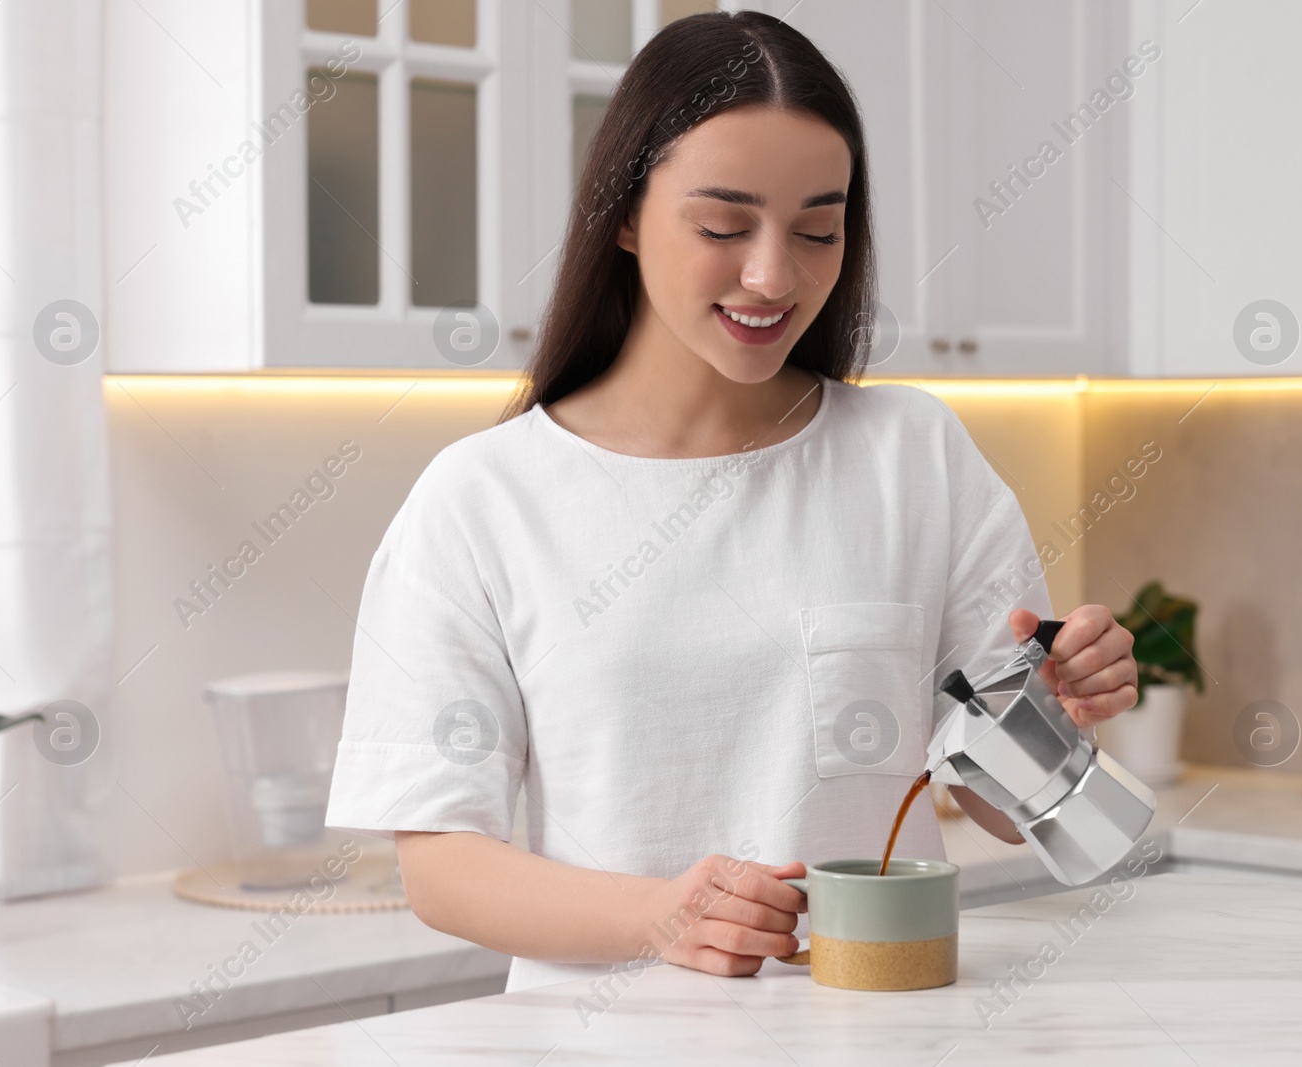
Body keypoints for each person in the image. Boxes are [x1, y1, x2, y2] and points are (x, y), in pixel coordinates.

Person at [324, 10, 1137, 994]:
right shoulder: (481, 500)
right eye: (721, 226)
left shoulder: (914, 457)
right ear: (623, 213)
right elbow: (442, 864)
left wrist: (1053, 706)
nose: (771, 274)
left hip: (886, 1035)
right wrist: (659, 915)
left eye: (816, 230)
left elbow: (1008, 803)